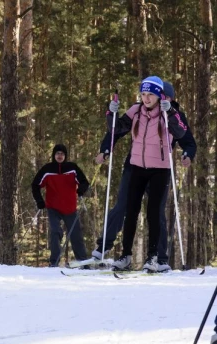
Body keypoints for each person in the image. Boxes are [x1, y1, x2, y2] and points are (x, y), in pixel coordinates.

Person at [92, 81, 196, 272]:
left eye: (166, 97)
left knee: (156, 212)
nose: (149, 99)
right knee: (124, 206)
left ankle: (160, 258)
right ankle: (104, 247)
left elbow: (187, 139)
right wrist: (106, 149)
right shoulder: (138, 110)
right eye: (145, 95)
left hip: (159, 168)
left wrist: (187, 154)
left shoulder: (173, 114)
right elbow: (117, 130)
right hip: (136, 167)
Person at [31, 144, 90, 267]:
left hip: (70, 208)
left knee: (76, 235)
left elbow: (84, 182)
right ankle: (54, 262)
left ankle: (83, 262)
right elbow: (35, 185)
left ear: (65, 156)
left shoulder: (72, 168)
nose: (59, 156)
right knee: (55, 231)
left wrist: (81, 190)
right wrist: (39, 201)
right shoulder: (47, 169)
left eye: (62, 154)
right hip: (53, 207)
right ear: (54, 155)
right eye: (57, 153)